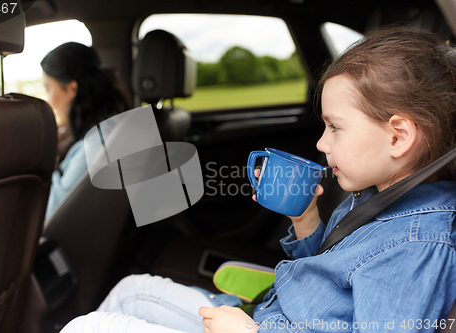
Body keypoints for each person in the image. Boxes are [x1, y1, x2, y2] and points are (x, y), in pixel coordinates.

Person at [59, 27, 456, 332]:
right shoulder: (375, 197)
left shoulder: (417, 245)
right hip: (267, 313)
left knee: (84, 326)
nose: (322, 142)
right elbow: (328, 277)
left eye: (335, 127)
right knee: (131, 291)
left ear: (398, 136)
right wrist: (306, 219)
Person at [41, 42, 132, 219]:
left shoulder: (96, 145)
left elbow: (51, 214)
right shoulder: (114, 126)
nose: (48, 101)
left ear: (71, 89)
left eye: (48, 89)